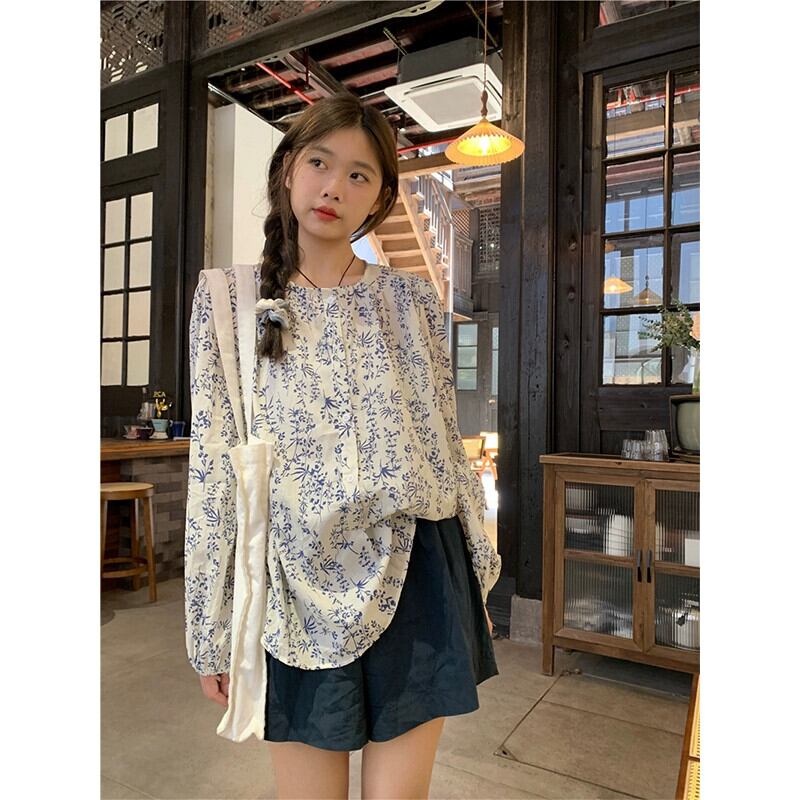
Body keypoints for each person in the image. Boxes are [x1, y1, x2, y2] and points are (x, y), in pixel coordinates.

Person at [184, 93, 501, 799]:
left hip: (418, 568)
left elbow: (444, 447)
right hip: (291, 586)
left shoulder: (411, 301)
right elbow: (214, 468)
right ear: (288, 170)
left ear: (380, 198)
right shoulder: (229, 301)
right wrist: (211, 625)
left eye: (359, 175)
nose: (334, 187)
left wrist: (477, 577)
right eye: (320, 163)